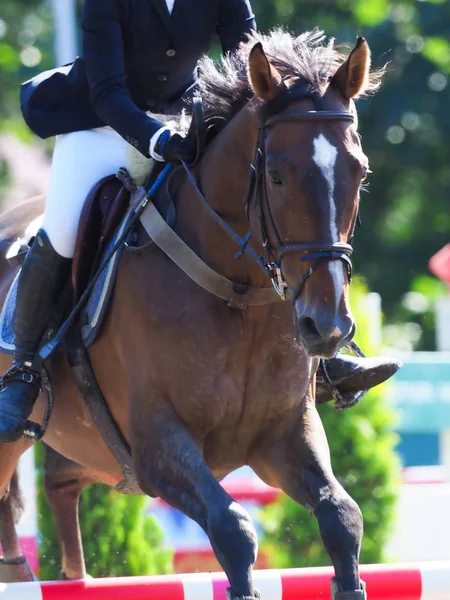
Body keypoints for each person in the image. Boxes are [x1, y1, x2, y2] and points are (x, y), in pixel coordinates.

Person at [0, 0, 400, 443]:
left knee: (264, 209)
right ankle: (25, 369)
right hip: (101, 124)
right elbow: (106, 91)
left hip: (185, 117)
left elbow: (248, 59)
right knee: (62, 231)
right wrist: (155, 138)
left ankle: (322, 355)